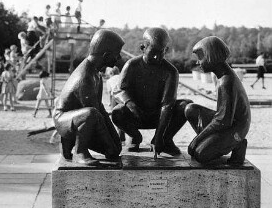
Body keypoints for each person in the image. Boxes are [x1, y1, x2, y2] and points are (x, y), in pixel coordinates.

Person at [112, 27, 192, 156]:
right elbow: (119, 90)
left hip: (158, 116)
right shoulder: (131, 65)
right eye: (153, 52)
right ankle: (135, 137)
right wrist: (130, 104)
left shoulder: (171, 72)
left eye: (161, 52)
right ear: (143, 48)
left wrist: (159, 137)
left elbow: (167, 104)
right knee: (117, 113)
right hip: (136, 115)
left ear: (165, 50)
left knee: (186, 106)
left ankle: (165, 138)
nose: (157, 57)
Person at [53, 29, 124, 165]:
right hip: (64, 119)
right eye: (117, 54)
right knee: (90, 114)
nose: (119, 58)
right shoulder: (85, 76)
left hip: (78, 117)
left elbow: (101, 109)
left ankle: (69, 143)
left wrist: (113, 145)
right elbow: (94, 114)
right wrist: (108, 143)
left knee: (114, 150)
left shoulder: (95, 73)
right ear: (106, 55)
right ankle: (79, 152)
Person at [185, 36, 251, 165]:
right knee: (190, 109)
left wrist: (197, 139)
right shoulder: (223, 77)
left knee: (200, 155)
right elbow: (221, 117)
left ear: (211, 56)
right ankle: (212, 142)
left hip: (235, 127)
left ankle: (238, 144)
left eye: (200, 57)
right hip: (228, 121)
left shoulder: (226, 82)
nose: (198, 63)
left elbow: (223, 121)